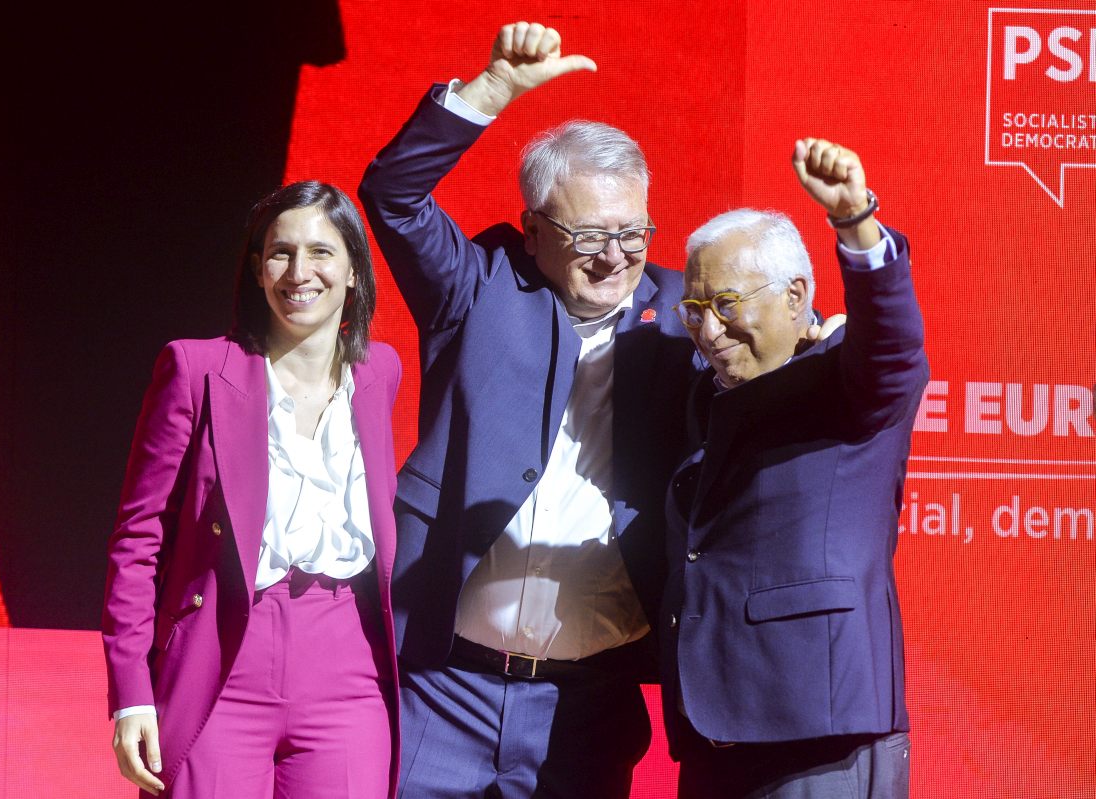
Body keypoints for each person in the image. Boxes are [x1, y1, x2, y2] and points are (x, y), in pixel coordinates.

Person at [357, 22, 831, 798]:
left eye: (632, 232)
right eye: (587, 235)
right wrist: (490, 92)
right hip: (444, 689)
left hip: (587, 709)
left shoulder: (685, 315)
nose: (614, 256)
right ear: (533, 231)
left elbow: (770, 355)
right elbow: (393, 196)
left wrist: (818, 340)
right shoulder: (477, 288)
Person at [102, 181, 402, 799]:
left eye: (321, 252)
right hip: (220, 661)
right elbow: (138, 538)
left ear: (354, 271)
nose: (299, 272)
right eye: (280, 253)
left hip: (348, 669)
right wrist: (131, 693)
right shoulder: (195, 369)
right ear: (258, 269)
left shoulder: (380, 373)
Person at [661, 139, 928, 798]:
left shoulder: (847, 384)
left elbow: (892, 346)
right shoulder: (702, 397)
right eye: (694, 310)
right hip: (714, 736)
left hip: (819, 738)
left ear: (795, 296)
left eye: (727, 304)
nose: (709, 330)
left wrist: (855, 223)